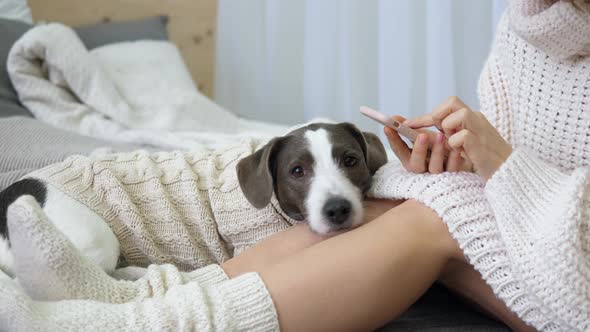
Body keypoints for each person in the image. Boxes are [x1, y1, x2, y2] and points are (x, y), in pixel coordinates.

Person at [1, 0, 588, 331]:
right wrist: (461, 162)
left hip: (573, 273)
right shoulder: (529, 28)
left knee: (428, 217)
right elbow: (519, 159)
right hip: (529, 226)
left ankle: (144, 325)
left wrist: (506, 169)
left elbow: (529, 181)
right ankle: (134, 300)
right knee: (406, 198)